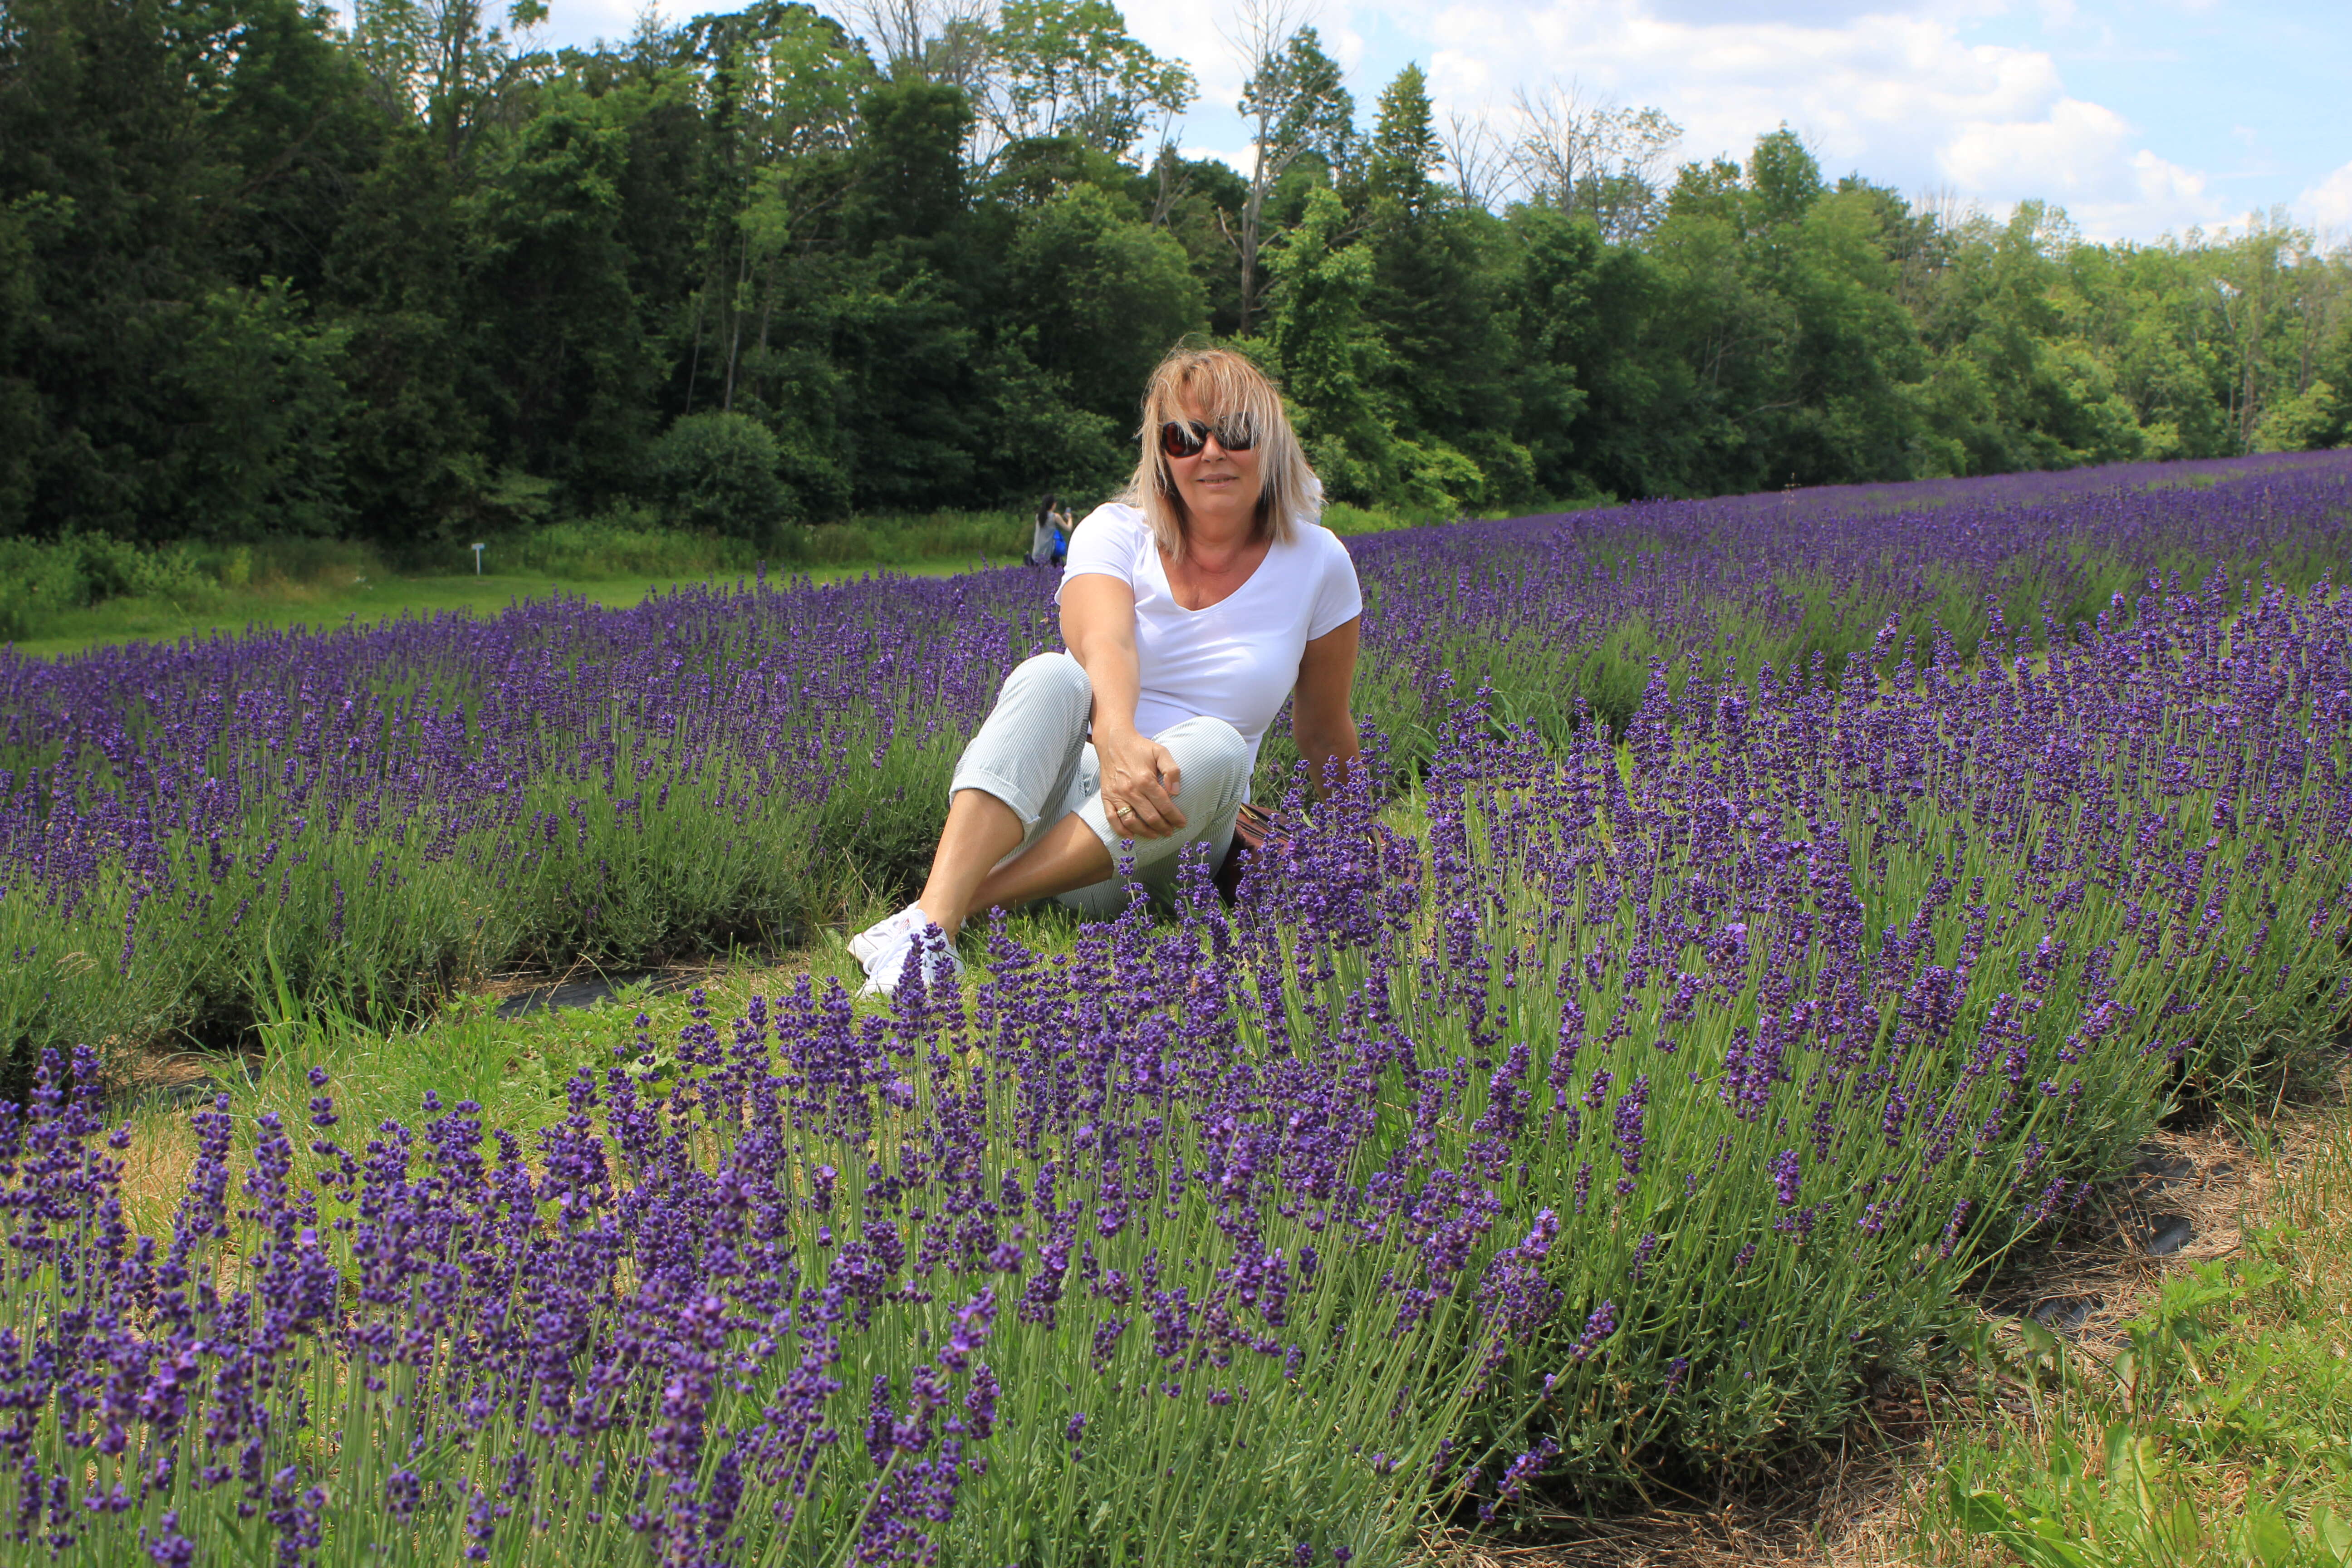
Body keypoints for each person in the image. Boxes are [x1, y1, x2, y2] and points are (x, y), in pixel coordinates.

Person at [848, 346, 1365, 995]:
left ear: (1272, 443)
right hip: (1058, 811)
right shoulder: (1115, 531)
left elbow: (1322, 729)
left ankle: (942, 914)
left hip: (1174, 838)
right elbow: (1104, 641)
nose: (1209, 453)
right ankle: (934, 930)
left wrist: (1361, 840)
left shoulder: (1318, 561)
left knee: (1217, 744)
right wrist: (1118, 739)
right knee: (1052, 676)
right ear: (1162, 454)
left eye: (1234, 434)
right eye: (1184, 437)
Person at [1029, 493, 1059, 566]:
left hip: (1037, 551)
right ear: (1053, 505)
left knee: (1038, 573)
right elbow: (1068, 528)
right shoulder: (1055, 516)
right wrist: (1070, 518)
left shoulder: (1039, 516)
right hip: (1049, 551)